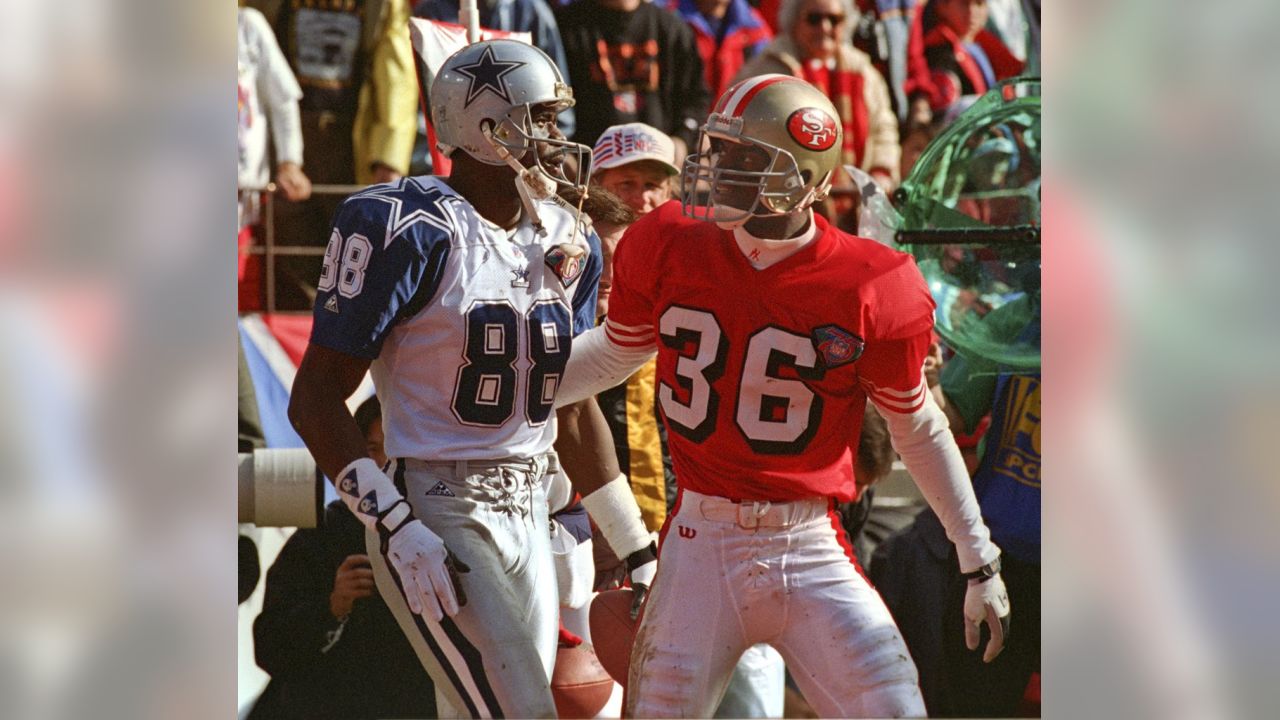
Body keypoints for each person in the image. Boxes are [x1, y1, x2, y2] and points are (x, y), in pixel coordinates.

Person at [553, 74, 1010, 717]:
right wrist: (504, 391)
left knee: (895, 707)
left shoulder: (871, 281)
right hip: (698, 537)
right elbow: (612, 354)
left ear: (806, 176)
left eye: (747, 160)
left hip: (807, 539)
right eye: (720, 151)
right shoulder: (667, 240)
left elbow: (916, 425)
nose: (719, 172)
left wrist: (978, 556)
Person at [286, 40, 655, 718]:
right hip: (437, 503)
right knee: (523, 712)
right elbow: (313, 399)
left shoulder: (565, 234)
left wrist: (635, 547)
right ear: (485, 127)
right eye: (539, 119)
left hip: (531, 503)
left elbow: (566, 407)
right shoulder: (407, 225)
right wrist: (394, 523)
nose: (555, 137)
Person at [249, 396, 437, 720]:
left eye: (396, 454)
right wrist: (333, 607)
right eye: (372, 450)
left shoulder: (447, 534)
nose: (382, 466)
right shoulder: (327, 531)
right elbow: (269, 646)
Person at [246, 0, 420, 310]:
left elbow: (396, 69)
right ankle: (297, 331)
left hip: (351, 136)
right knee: (286, 242)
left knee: (352, 244)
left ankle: (337, 327)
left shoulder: (386, 6)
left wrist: (389, 157)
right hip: (284, 132)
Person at [733, 0, 900, 192]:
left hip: (856, 200)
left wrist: (881, 170)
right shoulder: (765, 71)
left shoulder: (863, 71)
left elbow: (883, 128)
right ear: (794, 22)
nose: (825, 27)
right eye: (814, 19)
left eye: (834, 19)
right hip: (785, 196)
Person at [555, 0, 712, 157]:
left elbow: (696, 99)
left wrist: (682, 141)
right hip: (585, 169)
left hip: (659, 167)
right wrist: (567, 159)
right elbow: (551, 106)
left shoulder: (672, 29)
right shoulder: (564, 26)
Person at [237, 5, 311, 310]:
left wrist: (290, 161)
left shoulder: (246, 25)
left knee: (241, 311)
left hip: (242, 207)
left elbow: (283, 99)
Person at [664, 0, 774, 99]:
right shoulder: (668, 19)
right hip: (683, 116)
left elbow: (765, 86)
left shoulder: (754, 25)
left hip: (734, 117)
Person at [591, 122, 681, 217]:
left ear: (668, 193)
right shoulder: (575, 229)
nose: (642, 199)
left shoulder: (685, 230)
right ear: (595, 185)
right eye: (626, 183)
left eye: (651, 185)